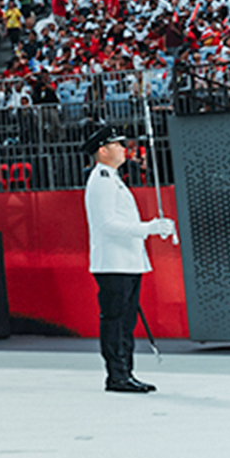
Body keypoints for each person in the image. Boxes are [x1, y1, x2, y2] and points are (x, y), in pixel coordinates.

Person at [82, 126, 177, 393]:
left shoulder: (112, 179)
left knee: (125, 321)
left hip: (127, 261)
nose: (124, 149)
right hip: (113, 263)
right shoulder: (101, 180)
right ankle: (117, 376)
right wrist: (149, 228)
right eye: (117, 144)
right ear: (103, 150)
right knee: (115, 319)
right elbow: (107, 224)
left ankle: (126, 372)